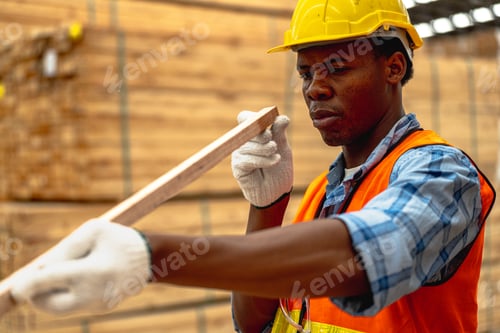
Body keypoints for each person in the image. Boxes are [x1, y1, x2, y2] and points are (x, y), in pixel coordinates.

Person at [10, 0, 496, 332]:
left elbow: (362, 254)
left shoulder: (441, 173)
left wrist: (149, 255)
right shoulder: (321, 197)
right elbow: (257, 322)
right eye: (306, 73)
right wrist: (266, 207)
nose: (314, 89)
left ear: (393, 67)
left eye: (338, 68)